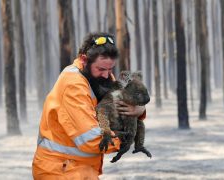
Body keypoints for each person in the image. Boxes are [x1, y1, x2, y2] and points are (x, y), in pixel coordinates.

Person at [32, 32, 146, 180]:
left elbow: (121, 103)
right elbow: (91, 139)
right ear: (84, 59)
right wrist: (128, 137)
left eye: (110, 69)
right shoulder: (73, 86)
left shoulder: (98, 75)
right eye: (102, 69)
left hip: (79, 169)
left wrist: (139, 110)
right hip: (60, 171)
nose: (107, 75)